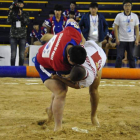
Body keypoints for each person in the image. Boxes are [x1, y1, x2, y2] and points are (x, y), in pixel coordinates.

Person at [35, 19, 87, 131]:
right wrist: (78, 85)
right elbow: (66, 80)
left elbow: (71, 20)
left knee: (60, 88)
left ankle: (51, 109)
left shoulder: (74, 32)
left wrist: (82, 40)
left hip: (54, 51)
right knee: (61, 91)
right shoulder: (60, 64)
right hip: (43, 64)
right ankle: (57, 127)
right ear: (68, 58)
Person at [51, 40, 107, 128]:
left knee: (93, 90)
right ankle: (52, 108)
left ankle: (93, 116)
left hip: (98, 58)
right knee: (60, 88)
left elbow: (75, 86)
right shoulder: (79, 53)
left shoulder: (89, 78)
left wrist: (60, 78)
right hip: (90, 49)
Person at [114, 0, 139, 68]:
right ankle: (117, 73)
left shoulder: (135, 16)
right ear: (123, 7)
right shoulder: (119, 16)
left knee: (131, 57)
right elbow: (115, 28)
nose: (127, 7)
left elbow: (137, 29)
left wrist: (137, 39)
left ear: (131, 7)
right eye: (126, 5)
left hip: (131, 40)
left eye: (129, 5)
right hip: (121, 40)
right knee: (119, 57)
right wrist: (117, 38)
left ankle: (133, 73)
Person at [7, 0, 30, 66]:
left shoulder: (25, 13)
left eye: (21, 3)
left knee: (22, 55)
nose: (19, 5)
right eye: (18, 3)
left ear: (23, 5)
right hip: (13, 36)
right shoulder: (12, 13)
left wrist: (21, 15)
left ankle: (20, 71)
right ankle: (12, 70)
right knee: (13, 55)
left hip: (22, 36)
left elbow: (27, 22)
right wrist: (10, 11)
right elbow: (8, 21)